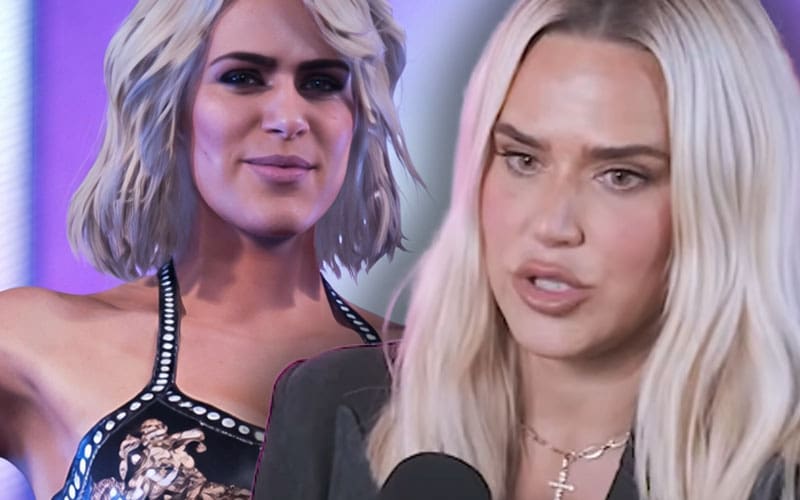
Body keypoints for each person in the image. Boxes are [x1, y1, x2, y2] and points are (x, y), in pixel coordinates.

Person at [252, 0, 800, 499]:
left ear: (722, 200)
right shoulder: (326, 409)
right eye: (523, 159)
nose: (552, 225)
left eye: (621, 175)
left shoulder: (781, 471)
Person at [0, 0, 418, 497]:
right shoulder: (32, 340)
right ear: (172, 105)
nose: (289, 118)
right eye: (243, 78)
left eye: (322, 83)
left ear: (360, 117)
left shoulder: (430, 370)